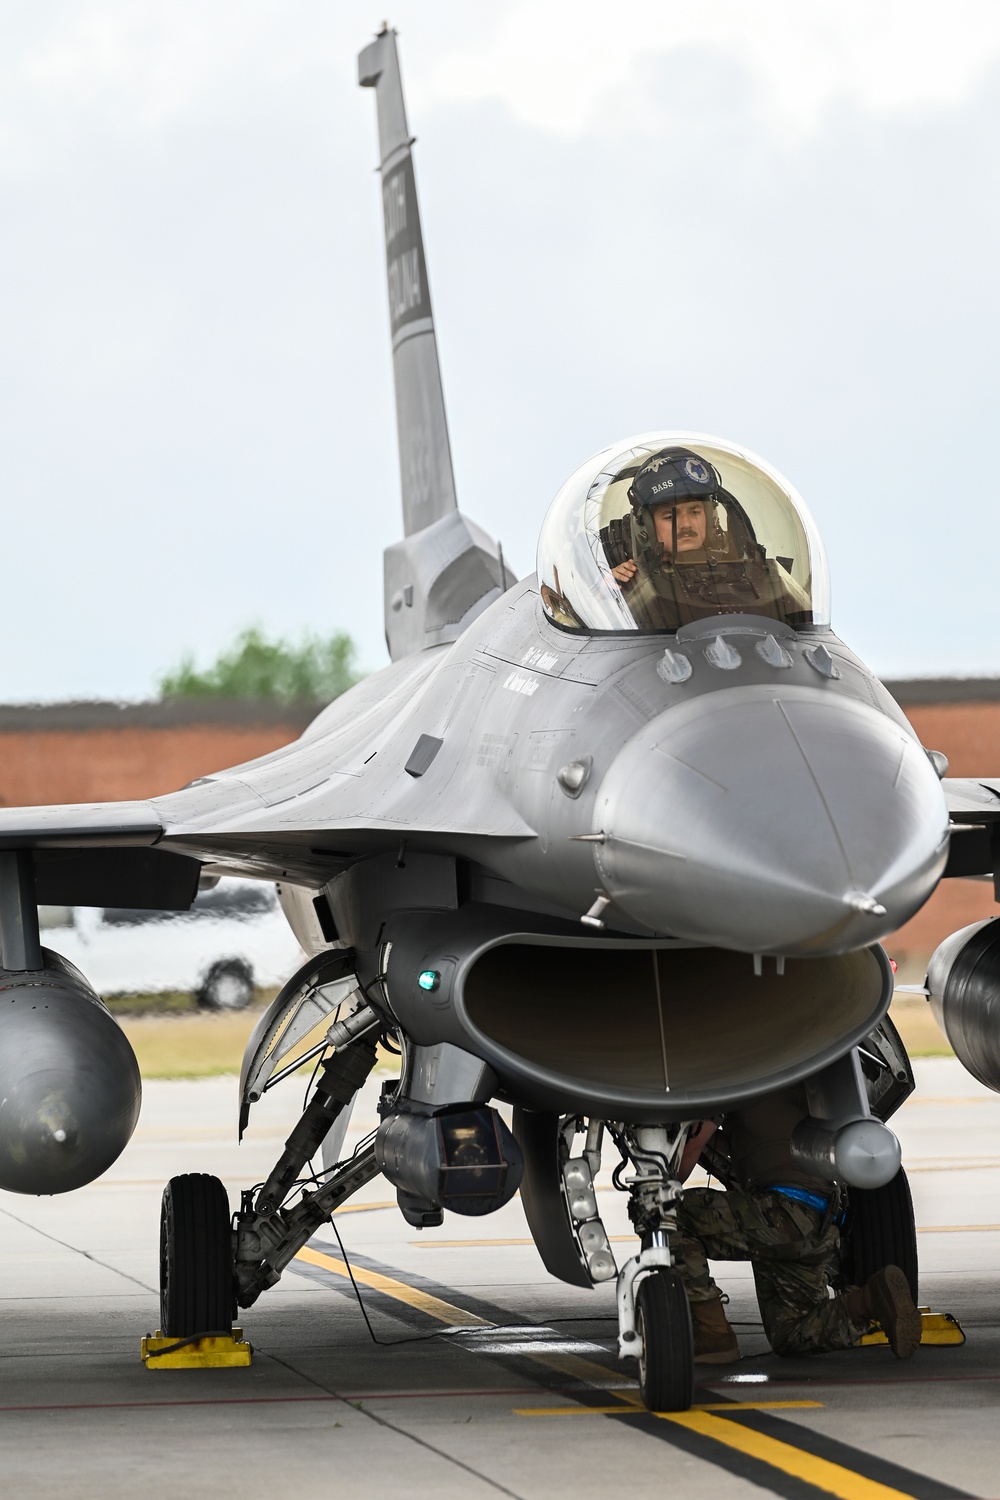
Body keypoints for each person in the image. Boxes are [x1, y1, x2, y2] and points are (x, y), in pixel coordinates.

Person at [672, 1087, 922, 1364]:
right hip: (820, 1223)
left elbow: (684, 1159)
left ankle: (712, 1334)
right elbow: (753, 1142)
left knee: (668, 1212)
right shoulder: (798, 1083)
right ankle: (870, 1300)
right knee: (791, 1334)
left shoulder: (733, 1076)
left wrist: (652, 1183)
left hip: (781, 1215)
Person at [603, 445, 811, 630]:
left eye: (695, 512)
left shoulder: (759, 577)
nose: (685, 525)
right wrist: (603, 591)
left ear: (711, 519)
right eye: (670, 516)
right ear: (645, 526)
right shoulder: (630, 581)